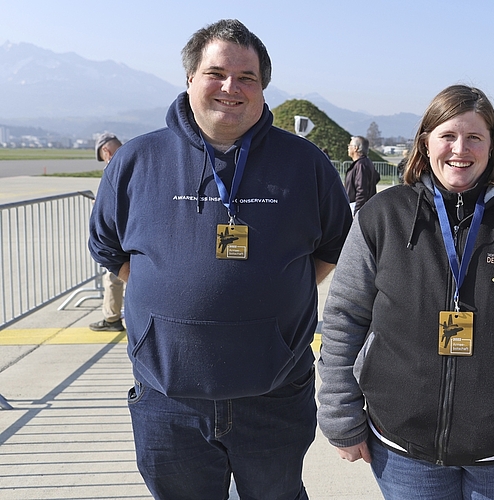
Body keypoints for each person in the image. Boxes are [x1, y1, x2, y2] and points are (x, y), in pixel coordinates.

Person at [88, 19, 353, 500]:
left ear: (263, 88)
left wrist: (267, 301)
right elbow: (109, 247)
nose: (231, 88)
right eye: (216, 73)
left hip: (274, 394)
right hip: (169, 399)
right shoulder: (137, 160)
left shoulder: (305, 162)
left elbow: (333, 247)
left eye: (247, 78)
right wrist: (171, 302)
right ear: (190, 79)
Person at [317, 85, 494, 499]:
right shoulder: (383, 216)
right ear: (425, 142)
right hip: (403, 449)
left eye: (474, 137)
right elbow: (345, 316)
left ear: (492, 145)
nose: (460, 149)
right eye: (447, 136)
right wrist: (340, 414)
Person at [89, 133, 125, 332]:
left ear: (106, 151)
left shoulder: (114, 167)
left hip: (120, 234)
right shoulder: (136, 159)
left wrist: (100, 206)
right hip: (135, 232)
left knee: (113, 276)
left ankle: (112, 318)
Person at [345, 135, 380, 214]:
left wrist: (357, 212)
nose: (348, 147)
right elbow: (376, 177)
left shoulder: (361, 165)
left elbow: (361, 190)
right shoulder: (366, 162)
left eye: (349, 145)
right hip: (365, 206)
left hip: (358, 207)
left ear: (355, 148)